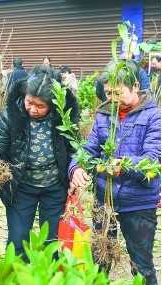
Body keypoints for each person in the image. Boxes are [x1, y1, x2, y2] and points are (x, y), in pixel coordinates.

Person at [69, 58, 160, 285]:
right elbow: (89, 148)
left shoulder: (153, 116)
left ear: (136, 87)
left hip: (138, 202)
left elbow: (153, 159)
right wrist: (77, 167)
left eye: (118, 93)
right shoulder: (104, 114)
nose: (112, 99)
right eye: (108, 93)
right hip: (105, 201)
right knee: (100, 260)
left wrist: (124, 167)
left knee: (142, 265)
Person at [0, 65, 79, 259]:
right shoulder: (11, 115)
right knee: (18, 239)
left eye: (41, 106)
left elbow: (74, 148)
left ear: (54, 104)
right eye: (30, 102)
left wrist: (76, 170)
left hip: (54, 186)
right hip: (20, 186)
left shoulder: (63, 118)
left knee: (51, 242)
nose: (33, 109)